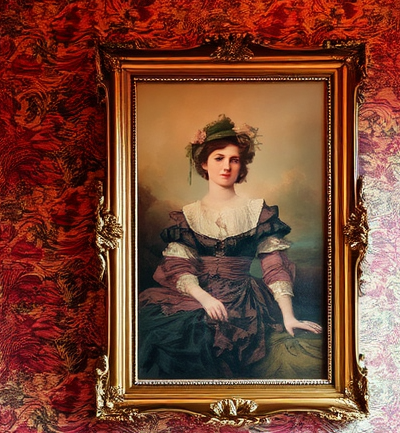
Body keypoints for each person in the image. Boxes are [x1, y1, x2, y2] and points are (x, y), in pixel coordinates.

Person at [137, 115, 322, 380]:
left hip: (244, 299)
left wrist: (289, 317)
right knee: (161, 334)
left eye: (234, 160)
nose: (226, 166)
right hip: (196, 296)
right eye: (219, 158)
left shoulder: (257, 212)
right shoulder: (188, 215)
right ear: (204, 163)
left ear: (241, 165)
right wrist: (204, 298)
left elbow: (274, 268)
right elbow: (179, 266)